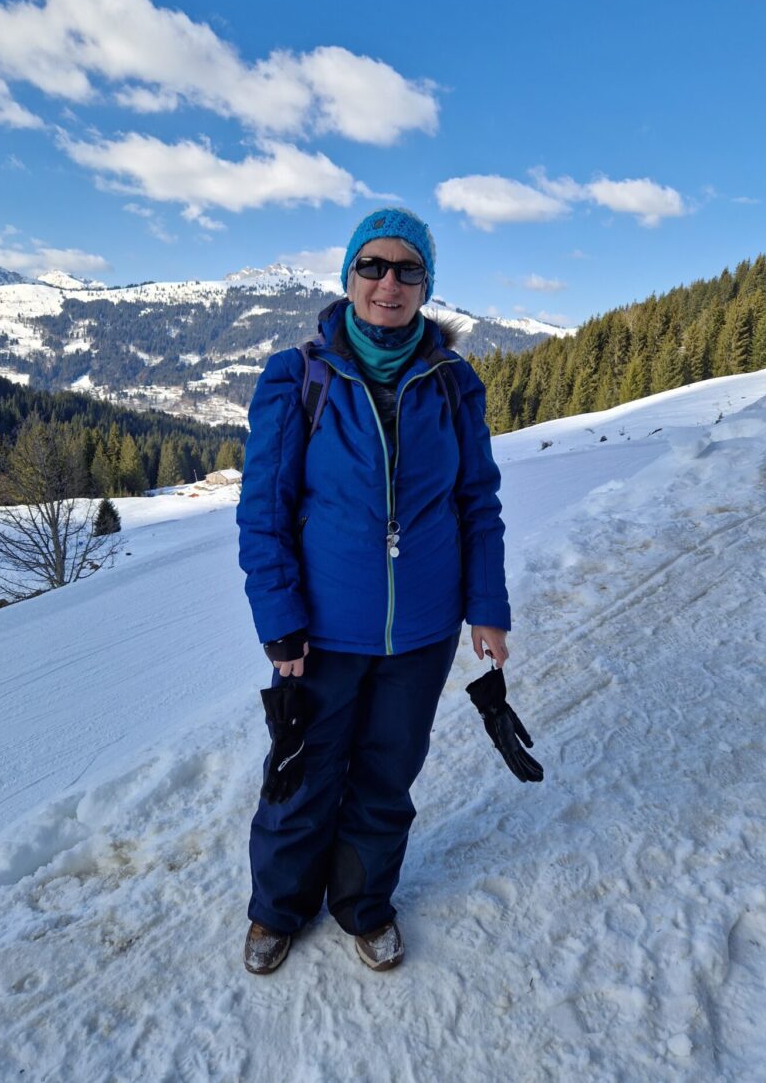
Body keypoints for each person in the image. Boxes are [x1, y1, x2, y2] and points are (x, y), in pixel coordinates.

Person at [236, 208, 510, 974]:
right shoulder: (298, 376)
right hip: (319, 631)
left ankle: (362, 902)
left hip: (423, 630)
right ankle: (277, 907)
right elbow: (263, 510)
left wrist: (486, 606)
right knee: (301, 772)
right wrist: (279, 618)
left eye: (407, 269)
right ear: (349, 275)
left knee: (386, 777)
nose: (389, 282)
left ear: (426, 283)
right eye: (373, 266)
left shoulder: (452, 383)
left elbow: (476, 503)